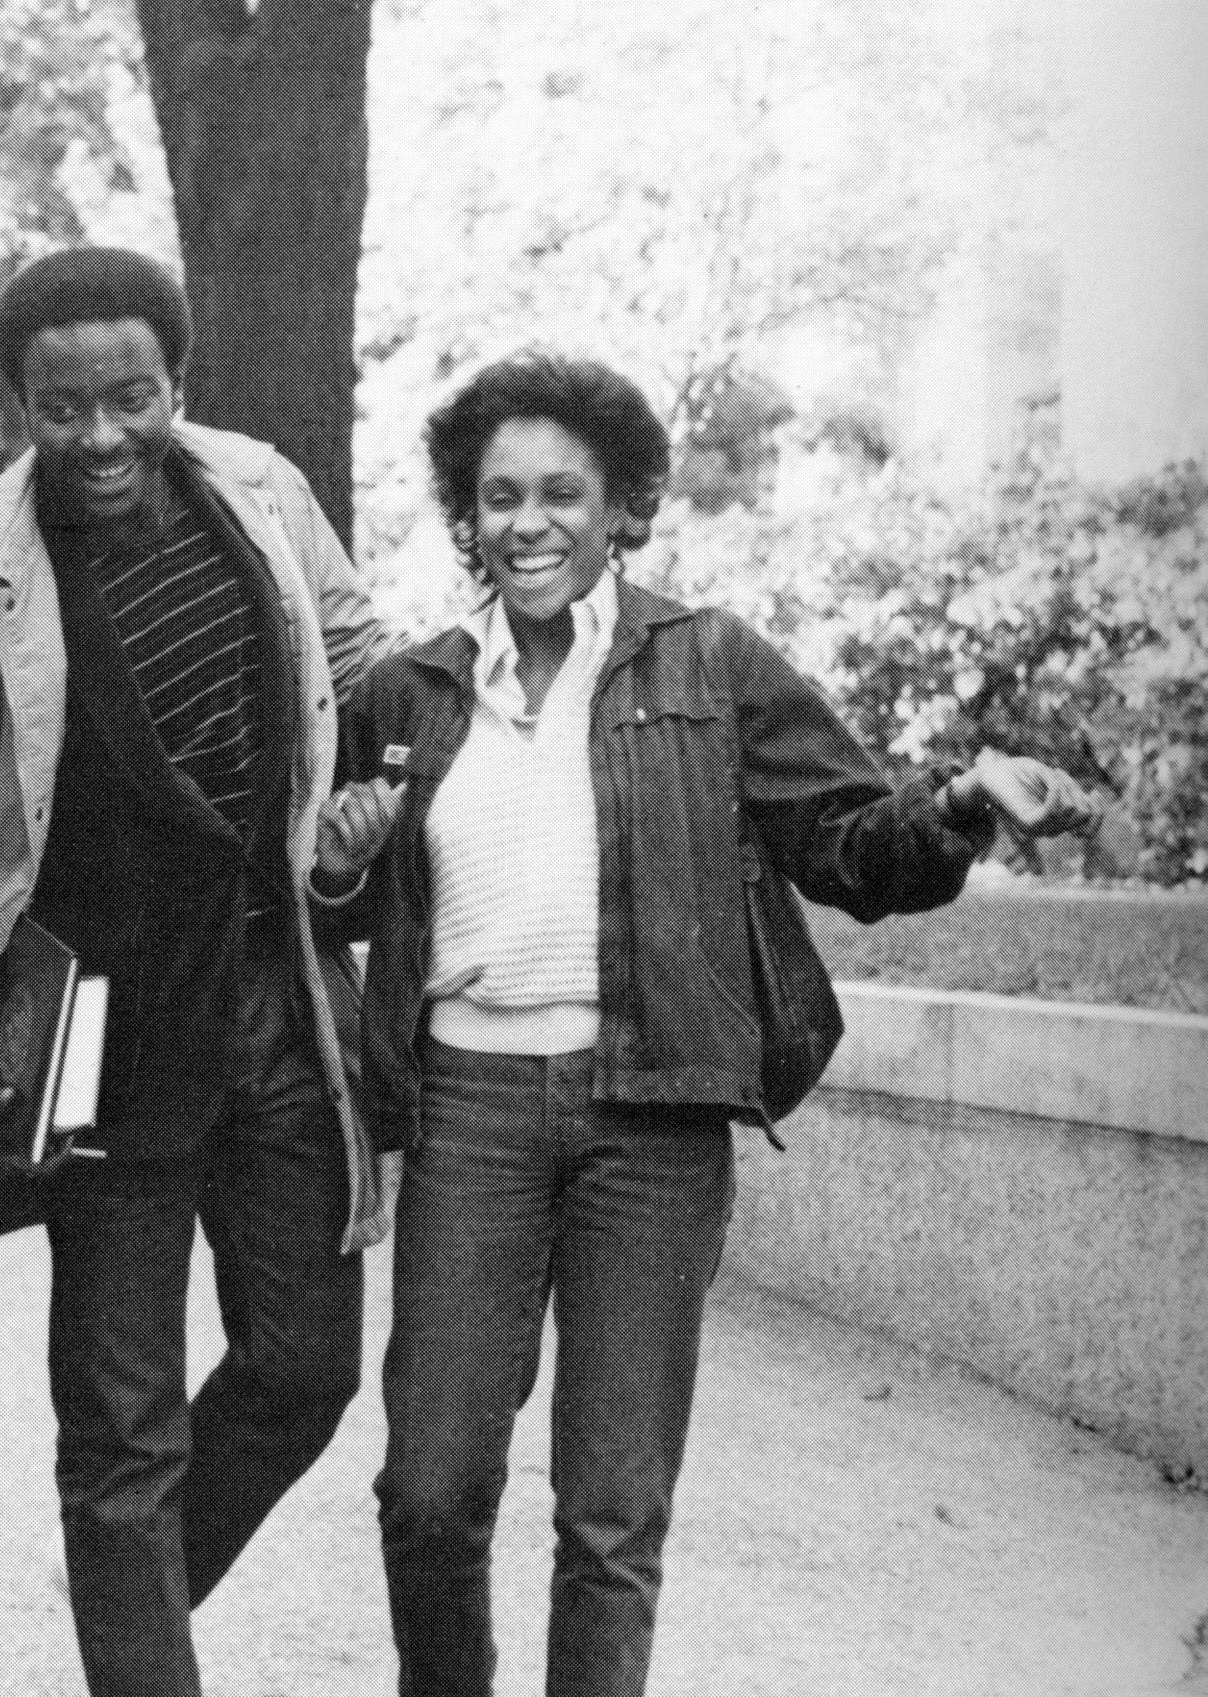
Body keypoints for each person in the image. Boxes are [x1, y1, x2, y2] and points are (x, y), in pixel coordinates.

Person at [332, 353, 1096, 1697]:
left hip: (653, 1120)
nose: (526, 522)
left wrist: (962, 803)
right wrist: (337, 859)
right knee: (429, 1488)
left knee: (610, 1517)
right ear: (465, 513)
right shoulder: (411, 694)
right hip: (469, 1116)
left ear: (620, 503)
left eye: (560, 493)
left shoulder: (711, 661)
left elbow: (853, 848)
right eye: (497, 495)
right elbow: (325, 882)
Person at [0, 246, 396, 1697]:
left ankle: (124, 1571)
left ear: (177, 383)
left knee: (304, 1368)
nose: (99, 436)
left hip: (276, 1008)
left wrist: (365, 818)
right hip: (91, 1051)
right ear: (15, 402)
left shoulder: (262, 494)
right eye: (61, 406)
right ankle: (135, 1617)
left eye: (130, 398)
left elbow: (366, 670)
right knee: (118, 1429)